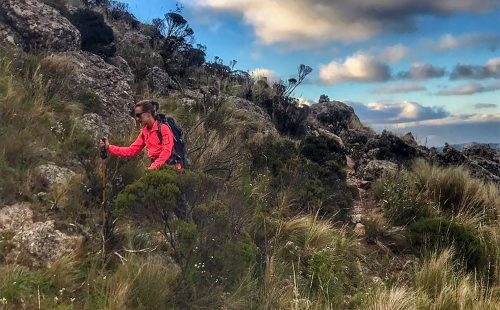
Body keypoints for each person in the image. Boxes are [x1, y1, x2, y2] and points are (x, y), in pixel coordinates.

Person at [99, 100, 181, 170]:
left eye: (139, 115)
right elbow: (131, 150)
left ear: (148, 113)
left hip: (172, 168)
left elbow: (167, 151)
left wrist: (152, 168)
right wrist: (109, 147)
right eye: (136, 116)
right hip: (157, 168)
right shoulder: (144, 132)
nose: (137, 119)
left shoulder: (163, 128)